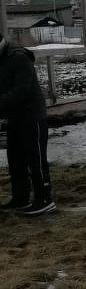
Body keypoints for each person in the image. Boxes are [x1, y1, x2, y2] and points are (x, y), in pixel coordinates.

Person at [0, 31, 55, 216]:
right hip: (13, 118)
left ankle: (45, 199)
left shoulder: (19, 58)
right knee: (15, 161)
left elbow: (21, 91)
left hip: (32, 116)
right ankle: (21, 199)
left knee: (36, 160)